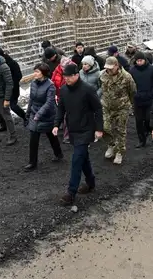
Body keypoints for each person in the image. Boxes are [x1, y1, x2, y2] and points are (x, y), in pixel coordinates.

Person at [53, 63, 104, 206]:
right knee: (83, 158)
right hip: (73, 129)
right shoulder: (63, 90)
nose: (66, 79)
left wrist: (99, 128)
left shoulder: (88, 89)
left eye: (69, 77)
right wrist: (56, 124)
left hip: (86, 129)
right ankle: (91, 183)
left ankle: (71, 192)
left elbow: (98, 109)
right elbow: (61, 108)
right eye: (65, 77)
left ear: (76, 75)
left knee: (76, 159)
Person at [24, 63, 62, 171]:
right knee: (33, 138)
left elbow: (49, 102)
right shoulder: (33, 83)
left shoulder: (50, 86)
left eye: (37, 72)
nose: (34, 74)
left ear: (43, 73)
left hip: (47, 115)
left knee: (51, 136)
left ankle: (58, 153)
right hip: (35, 113)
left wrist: (39, 114)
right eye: (34, 71)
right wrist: (28, 112)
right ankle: (32, 162)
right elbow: (31, 99)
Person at [100, 56, 135, 164]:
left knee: (120, 130)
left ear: (116, 65)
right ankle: (111, 145)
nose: (108, 70)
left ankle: (120, 151)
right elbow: (100, 88)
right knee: (106, 128)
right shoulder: (102, 75)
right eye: (107, 67)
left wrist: (129, 104)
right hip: (107, 106)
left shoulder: (126, 77)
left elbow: (132, 91)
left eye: (111, 68)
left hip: (122, 107)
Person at [129, 51, 153, 147]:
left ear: (145, 60)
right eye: (137, 61)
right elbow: (130, 84)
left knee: (148, 118)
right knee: (138, 120)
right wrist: (133, 94)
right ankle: (141, 140)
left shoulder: (152, 69)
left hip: (149, 98)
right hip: (138, 99)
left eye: (141, 60)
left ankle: (150, 131)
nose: (139, 62)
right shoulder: (132, 70)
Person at [0, 48, 26, 132]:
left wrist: (10, 84)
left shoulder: (12, 63)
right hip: (2, 89)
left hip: (13, 89)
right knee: (1, 107)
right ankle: (3, 125)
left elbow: (19, 76)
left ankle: (25, 117)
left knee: (13, 106)